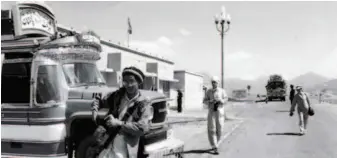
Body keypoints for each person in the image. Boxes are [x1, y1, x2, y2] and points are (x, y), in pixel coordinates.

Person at [92, 66, 153, 158]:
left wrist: (118, 123)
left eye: (131, 81)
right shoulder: (117, 96)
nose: (128, 85)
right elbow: (99, 98)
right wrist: (94, 109)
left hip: (127, 149)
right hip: (109, 143)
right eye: (125, 81)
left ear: (139, 82)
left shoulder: (144, 104)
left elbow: (142, 129)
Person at [203, 76, 228, 154]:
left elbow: (226, 99)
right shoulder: (208, 91)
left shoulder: (222, 91)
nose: (214, 83)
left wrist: (221, 101)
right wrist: (210, 101)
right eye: (212, 82)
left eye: (215, 82)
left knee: (220, 128)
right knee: (212, 129)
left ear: (218, 82)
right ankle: (214, 146)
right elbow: (204, 101)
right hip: (211, 112)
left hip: (220, 112)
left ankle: (216, 143)